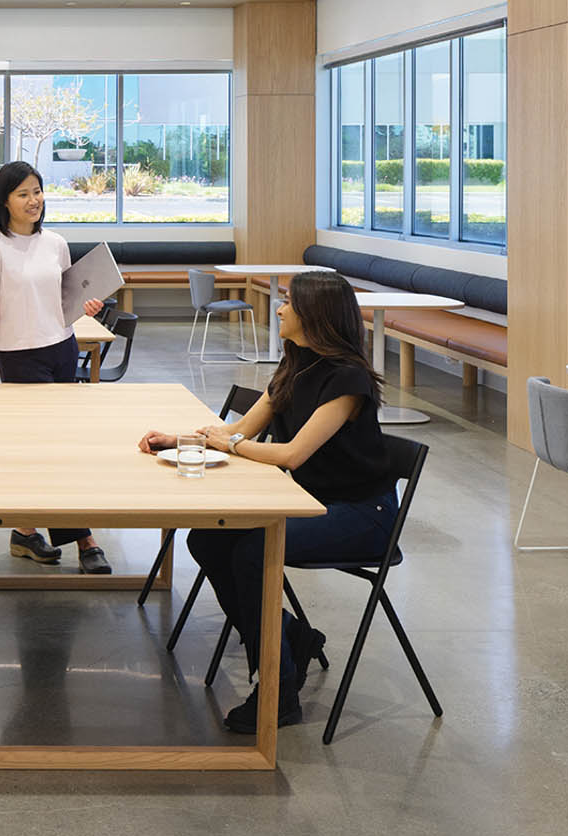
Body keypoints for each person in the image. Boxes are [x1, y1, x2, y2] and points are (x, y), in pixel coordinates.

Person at [140, 266, 397, 734]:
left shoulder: (348, 379)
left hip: (363, 515)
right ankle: (291, 637)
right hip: (308, 501)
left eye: (289, 304)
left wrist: (229, 445)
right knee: (208, 541)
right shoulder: (296, 363)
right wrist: (176, 440)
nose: (278, 308)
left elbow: (292, 454)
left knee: (254, 549)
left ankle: (277, 689)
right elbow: (240, 430)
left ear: (315, 315)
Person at [0, 160, 110, 574]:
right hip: (19, 356)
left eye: (37, 191)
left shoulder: (56, 243)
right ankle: (84, 538)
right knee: (47, 450)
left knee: (59, 448)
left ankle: (24, 531)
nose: (34, 200)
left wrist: (87, 309)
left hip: (62, 347)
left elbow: (65, 303)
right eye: (23, 193)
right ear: (4, 200)